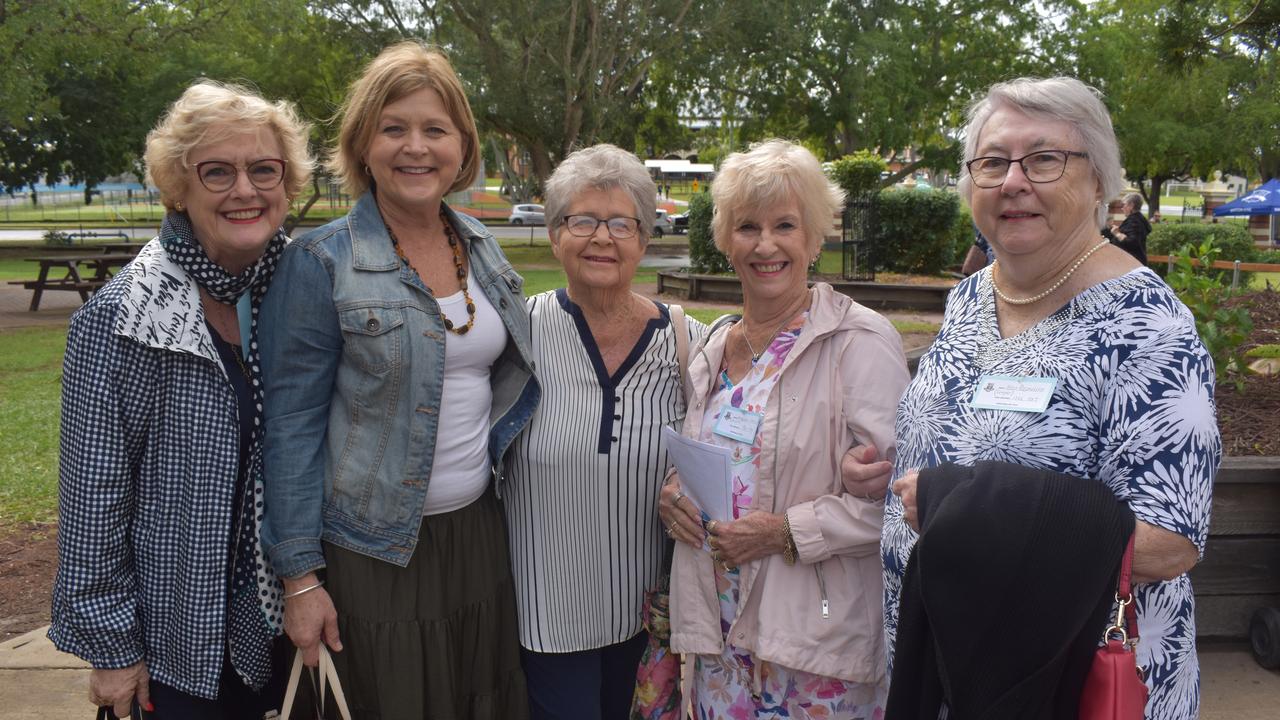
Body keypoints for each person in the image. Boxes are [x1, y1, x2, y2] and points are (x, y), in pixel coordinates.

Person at [881, 77, 1220, 719]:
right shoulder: (973, 297)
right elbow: (959, 442)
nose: (1013, 181)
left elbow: (1171, 541)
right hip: (947, 661)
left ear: (1098, 181)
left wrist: (958, 506)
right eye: (992, 161)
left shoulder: (1146, 328)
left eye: (1044, 159)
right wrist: (895, 473)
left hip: (1063, 680)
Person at [259, 42, 538, 718]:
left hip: (477, 536)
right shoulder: (321, 262)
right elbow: (289, 428)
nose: (416, 148)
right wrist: (300, 580)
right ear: (363, 144)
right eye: (394, 128)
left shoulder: (479, 246)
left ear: (462, 146)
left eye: (435, 129)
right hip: (372, 553)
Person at [49, 80, 314, 718]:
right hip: (177, 646)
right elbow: (93, 498)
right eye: (216, 171)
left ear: (289, 181)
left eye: (263, 169)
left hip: (298, 624)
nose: (245, 189)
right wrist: (112, 647)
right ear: (178, 185)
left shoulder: (307, 291)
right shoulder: (122, 318)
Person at [659, 139, 910, 717]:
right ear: (725, 241)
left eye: (785, 226)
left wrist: (784, 532)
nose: (765, 244)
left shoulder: (860, 343)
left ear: (815, 239)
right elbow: (722, 457)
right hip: (720, 634)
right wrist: (675, 494)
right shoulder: (715, 345)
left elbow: (898, 502)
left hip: (813, 645)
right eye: (747, 226)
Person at [502, 143, 707, 719]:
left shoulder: (687, 340)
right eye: (583, 220)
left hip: (649, 618)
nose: (602, 238)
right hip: (546, 614)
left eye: (622, 223)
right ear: (554, 232)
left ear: (644, 238)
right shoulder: (519, 331)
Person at [1103, 191, 1151, 265]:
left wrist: (1117, 233)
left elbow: (1132, 242)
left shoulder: (1134, 221)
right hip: (1133, 262)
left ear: (1131, 205)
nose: (1122, 208)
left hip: (1131, 264)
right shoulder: (1137, 220)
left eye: (1124, 205)